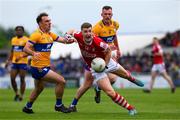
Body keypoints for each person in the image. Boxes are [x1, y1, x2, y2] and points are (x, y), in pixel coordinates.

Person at [67, 22, 144, 115]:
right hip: (95, 68)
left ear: (92, 31)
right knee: (110, 92)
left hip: (107, 62)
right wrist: (67, 35)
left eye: (89, 31)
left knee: (126, 75)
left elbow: (108, 52)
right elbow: (71, 30)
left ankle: (132, 79)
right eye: (85, 31)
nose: (88, 33)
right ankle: (131, 108)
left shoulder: (98, 42)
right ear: (82, 32)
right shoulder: (78, 36)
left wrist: (105, 65)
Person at [22, 12, 74, 114]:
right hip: (39, 68)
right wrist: (33, 53)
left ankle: (27, 107)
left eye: (50, 21)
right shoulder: (36, 35)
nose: (49, 23)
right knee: (61, 81)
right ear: (40, 23)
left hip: (42, 66)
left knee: (39, 88)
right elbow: (25, 48)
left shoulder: (50, 34)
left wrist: (71, 40)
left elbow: (63, 40)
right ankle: (58, 105)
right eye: (46, 21)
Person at [92, 5, 121, 103]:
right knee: (87, 83)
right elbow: (94, 43)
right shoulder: (96, 28)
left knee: (113, 79)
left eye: (109, 14)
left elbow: (114, 36)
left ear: (112, 14)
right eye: (105, 14)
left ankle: (98, 88)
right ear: (102, 15)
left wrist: (118, 49)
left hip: (111, 53)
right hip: (100, 56)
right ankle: (73, 104)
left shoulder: (116, 24)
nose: (107, 16)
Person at [5, 26, 29, 101]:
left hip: (23, 62)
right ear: (15, 31)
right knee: (12, 79)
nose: (19, 32)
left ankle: (22, 95)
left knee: (22, 79)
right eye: (17, 30)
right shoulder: (13, 39)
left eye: (20, 30)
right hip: (14, 62)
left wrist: (21, 56)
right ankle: (16, 93)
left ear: (23, 31)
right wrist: (8, 60)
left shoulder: (26, 39)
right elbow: (12, 51)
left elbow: (29, 51)